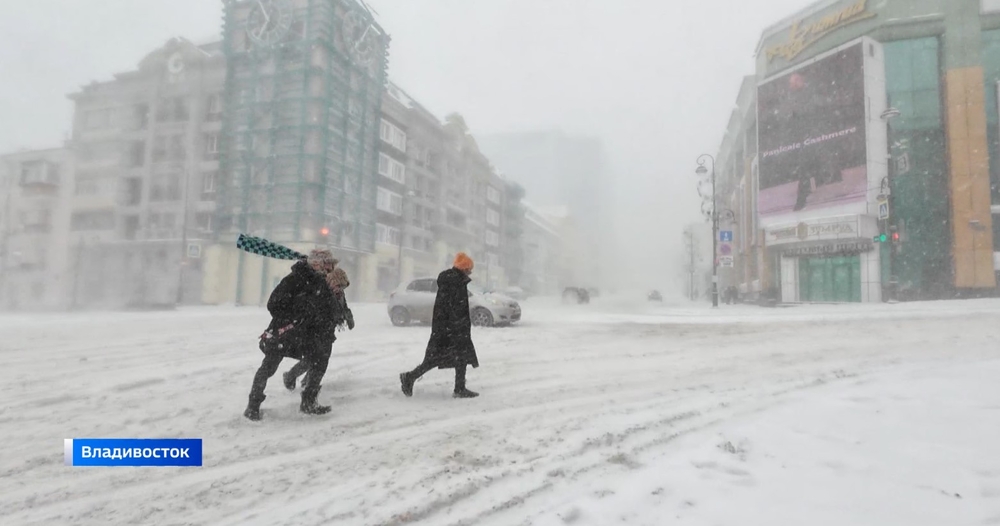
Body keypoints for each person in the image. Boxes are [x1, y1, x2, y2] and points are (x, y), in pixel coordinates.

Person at [243, 249, 341, 421]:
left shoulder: (321, 282)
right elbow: (274, 304)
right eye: (328, 264)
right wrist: (298, 311)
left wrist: (330, 321)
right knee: (269, 366)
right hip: (285, 331)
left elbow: (328, 309)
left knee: (319, 360)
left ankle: (308, 402)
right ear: (317, 264)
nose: (330, 268)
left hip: (307, 334)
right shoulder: (295, 279)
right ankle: (253, 406)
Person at [400, 252, 480, 399]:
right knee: (437, 358)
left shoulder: (453, 280)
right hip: (451, 328)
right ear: (464, 268)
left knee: (460, 357)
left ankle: (459, 388)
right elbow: (453, 307)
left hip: (449, 327)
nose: (471, 272)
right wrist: (457, 325)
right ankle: (409, 377)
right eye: (470, 269)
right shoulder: (456, 282)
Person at [282, 267, 355, 390]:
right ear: (332, 282)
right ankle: (291, 376)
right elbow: (314, 310)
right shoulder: (322, 292)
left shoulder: (339, 295)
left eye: (343, 287)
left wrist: (348, 317)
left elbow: (344, 307)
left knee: (322, 360)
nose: (340, 289)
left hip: (328, 332)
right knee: (312, 359)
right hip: (314, 331)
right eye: (339, 285)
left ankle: (309, 382)